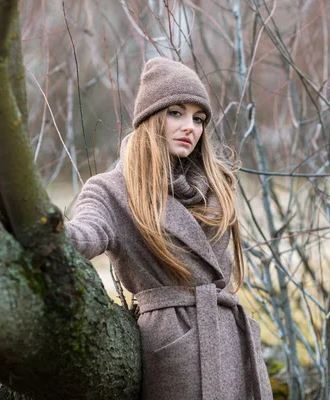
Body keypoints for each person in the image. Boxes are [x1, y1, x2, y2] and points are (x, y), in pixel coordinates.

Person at [65, 57, 273, 400]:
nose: (190, 126)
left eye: (198, 118)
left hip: (230, 342)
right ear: (149, 119)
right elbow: (85, 234)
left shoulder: (217, 184)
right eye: (175, 112)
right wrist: (40, 226)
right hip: (173, 349)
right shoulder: (112, 190)